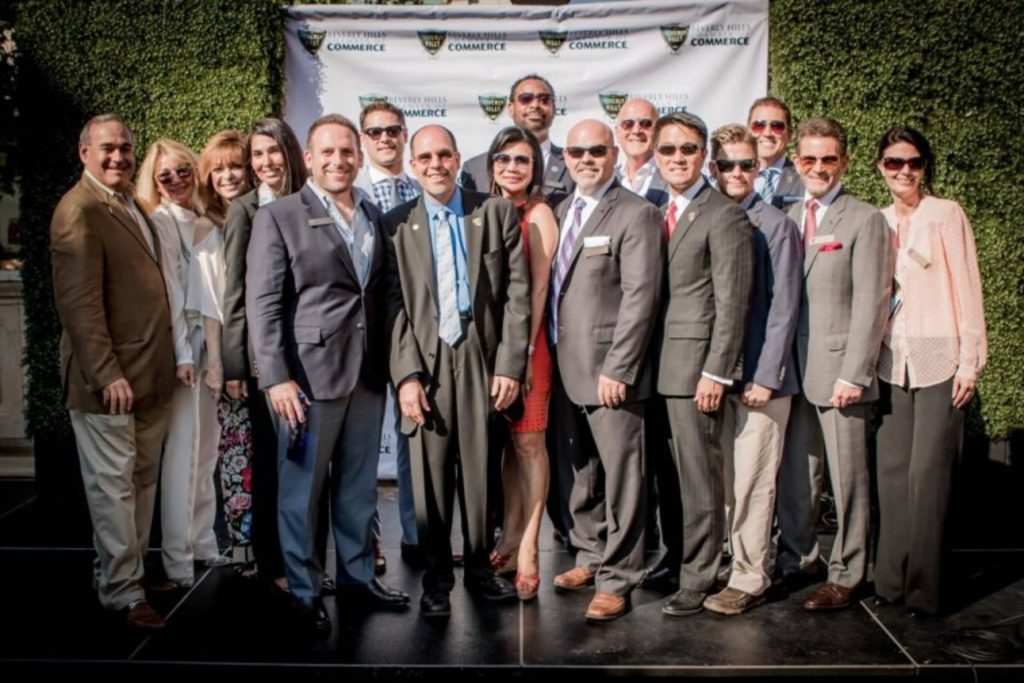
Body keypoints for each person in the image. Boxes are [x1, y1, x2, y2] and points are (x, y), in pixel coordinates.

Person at [246, 114, 410, 634]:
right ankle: (304, 590)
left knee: (358, 488)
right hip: (306, 382)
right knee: (301, 491)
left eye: (346, 152)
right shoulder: (279, 216)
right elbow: (263, 303)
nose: (338, 160)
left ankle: (358, 579)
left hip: (366, 375)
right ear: (309, 159)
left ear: (358, 157)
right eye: (327, 152)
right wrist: (276, 377)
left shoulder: (371, 212)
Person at [387, 124, 530, 619]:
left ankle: (480, 570)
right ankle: (436, 581)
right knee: (429, 478)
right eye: (425, 157)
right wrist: (406, 376)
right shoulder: (395, 225)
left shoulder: (494, 212)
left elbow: (516, 295)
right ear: (413, 165)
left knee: (481, 470)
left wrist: (510, 364)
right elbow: (393, 307)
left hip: (479, 355)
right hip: (425, 359)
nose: (436, 165)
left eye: (444, 155)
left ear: (457, 158)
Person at [50, 114, 176, 630]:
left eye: (125, 147)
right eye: (107, 148)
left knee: (140, 481)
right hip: (109, 382)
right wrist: (106, 374)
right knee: (112, 489)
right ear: (84, 153)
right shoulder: (77, 210)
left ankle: (126, 572)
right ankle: (123, 593)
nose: (118, 156)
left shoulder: (128, 202)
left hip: (149, 376)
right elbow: (78, 306)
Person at [775, 116, 893, 611]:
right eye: (809, 158)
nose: (818, 167)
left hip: (840, 372)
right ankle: (799, 559)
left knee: (848, 481)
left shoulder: (865, 219)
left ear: (844, 162)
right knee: (797, 476)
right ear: (796, 161)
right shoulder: (786, 214)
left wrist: (855, 372)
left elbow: (872, 301)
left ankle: (848, 572)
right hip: (793, 370)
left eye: (828, 158)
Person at [548, 119, 663, 622]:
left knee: (624, 480)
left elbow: (641, 298)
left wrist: (621, 367)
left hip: (611, 372)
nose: (586, 159)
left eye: (596, 150)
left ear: (614, 154)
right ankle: (590, 555)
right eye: (577, 152)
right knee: (580, 472)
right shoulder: (560, 210)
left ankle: (619, 577)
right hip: (563, 367)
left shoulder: (636, 213)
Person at [872, 126, 987, 617]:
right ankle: (890, 583)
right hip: (890, 361)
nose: (904, 171)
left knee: (929, 474)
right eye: (894, 162)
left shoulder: (945, 214)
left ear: (924, 167)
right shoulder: (876, 221)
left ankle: (925, 590)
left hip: (940, 359)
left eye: (913, 162)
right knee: (893, 474)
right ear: (880, 167)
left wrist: (970, 362)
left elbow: (968, 286)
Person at [651, 112, 756, 617]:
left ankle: (701, 575)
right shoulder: (656, 210)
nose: (678, 158)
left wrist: (717, 371)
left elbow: (733, 303)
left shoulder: (724, 215)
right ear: (655, 156)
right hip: (655, 369)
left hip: (696, 371)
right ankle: (677, 560)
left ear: (704, 158)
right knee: (670, 479)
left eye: (688, 149)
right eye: (668, 149)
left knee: (699, 479)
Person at [221, 118, 326, 594]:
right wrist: (237, 365)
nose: (266, 162)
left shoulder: (312, 199)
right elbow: (235, 294)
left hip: (314, 354)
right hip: (267, 359)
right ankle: (276, 563)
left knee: (312, 464)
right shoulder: (244, 210)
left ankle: (311, 561)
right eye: (257, 155)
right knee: (272, 464)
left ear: (291, 152)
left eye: (273, 151)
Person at [702, 124, 802, 615]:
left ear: (759, 167)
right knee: (724, 482)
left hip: (762, 378)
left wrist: (766, 375)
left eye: (746, 164)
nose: (737, 172)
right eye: (727, 165)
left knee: (753, 483)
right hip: (718, 376)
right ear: (713, 168)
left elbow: (785, 307)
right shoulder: (709, 218)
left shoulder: (776, 226)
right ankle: (731, 562)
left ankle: (749, 577)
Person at [137, 139, 223, 587]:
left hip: (212, 342)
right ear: (154, 183)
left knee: (207, 449)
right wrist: (184, 355)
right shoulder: (162, 222)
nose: (175, 181)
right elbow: (170, 292)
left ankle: (203, 542)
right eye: (164, 176)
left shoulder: (206, 218)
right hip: (184, 345)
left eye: (182, 171)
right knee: (183, 454)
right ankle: (177, 558)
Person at [483, 127, 558, 601]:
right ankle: (509, 538)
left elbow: (538, 288)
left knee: (529, 446)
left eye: (523, 160)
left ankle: (530, 546)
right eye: (504, 158)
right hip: (491, 351)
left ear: (535, 169)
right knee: (509, 449)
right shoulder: (484, 210)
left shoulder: (539, 213)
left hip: (530, 350)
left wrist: (526, 353)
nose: (512, 167)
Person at [355, 101, 422, 571]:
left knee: (413, 438)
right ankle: (368, 540)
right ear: (364, 139)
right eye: (375, 131)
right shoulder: (351, 194)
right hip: (359, 337)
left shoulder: (427, 189)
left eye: (392, 130)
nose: (384, 138)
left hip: (411, 335)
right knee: (360, 449)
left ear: (404, 135)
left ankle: (418, 536)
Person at [197, 130, 252, 558]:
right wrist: (222, 364)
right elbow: (213, 306)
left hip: (265, 352)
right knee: (237, 455)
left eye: (235, 166)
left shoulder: (260, 214)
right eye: (218, 169)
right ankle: (244, 546)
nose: (228, 175)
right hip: (231, 357)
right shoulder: (207, 228)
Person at [459, 74, 574, 204]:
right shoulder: (474, 169)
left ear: (554, 109)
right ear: (510, 108)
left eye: (544, 99)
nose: (535, 105)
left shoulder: (573, 164)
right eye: (526, 99)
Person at [747, 97, 803, 209]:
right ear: (748, 132)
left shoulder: (804, 179)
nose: (767, 133)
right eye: (759, 126)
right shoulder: (733, 176)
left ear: (789, 134)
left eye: (777, 126)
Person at [613, 97, 668, 203]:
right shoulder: (608, 178)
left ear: (658, 131)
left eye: (646, 123)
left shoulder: (673, 177)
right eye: (628, 124)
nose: (636, 131)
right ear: (617, 132)